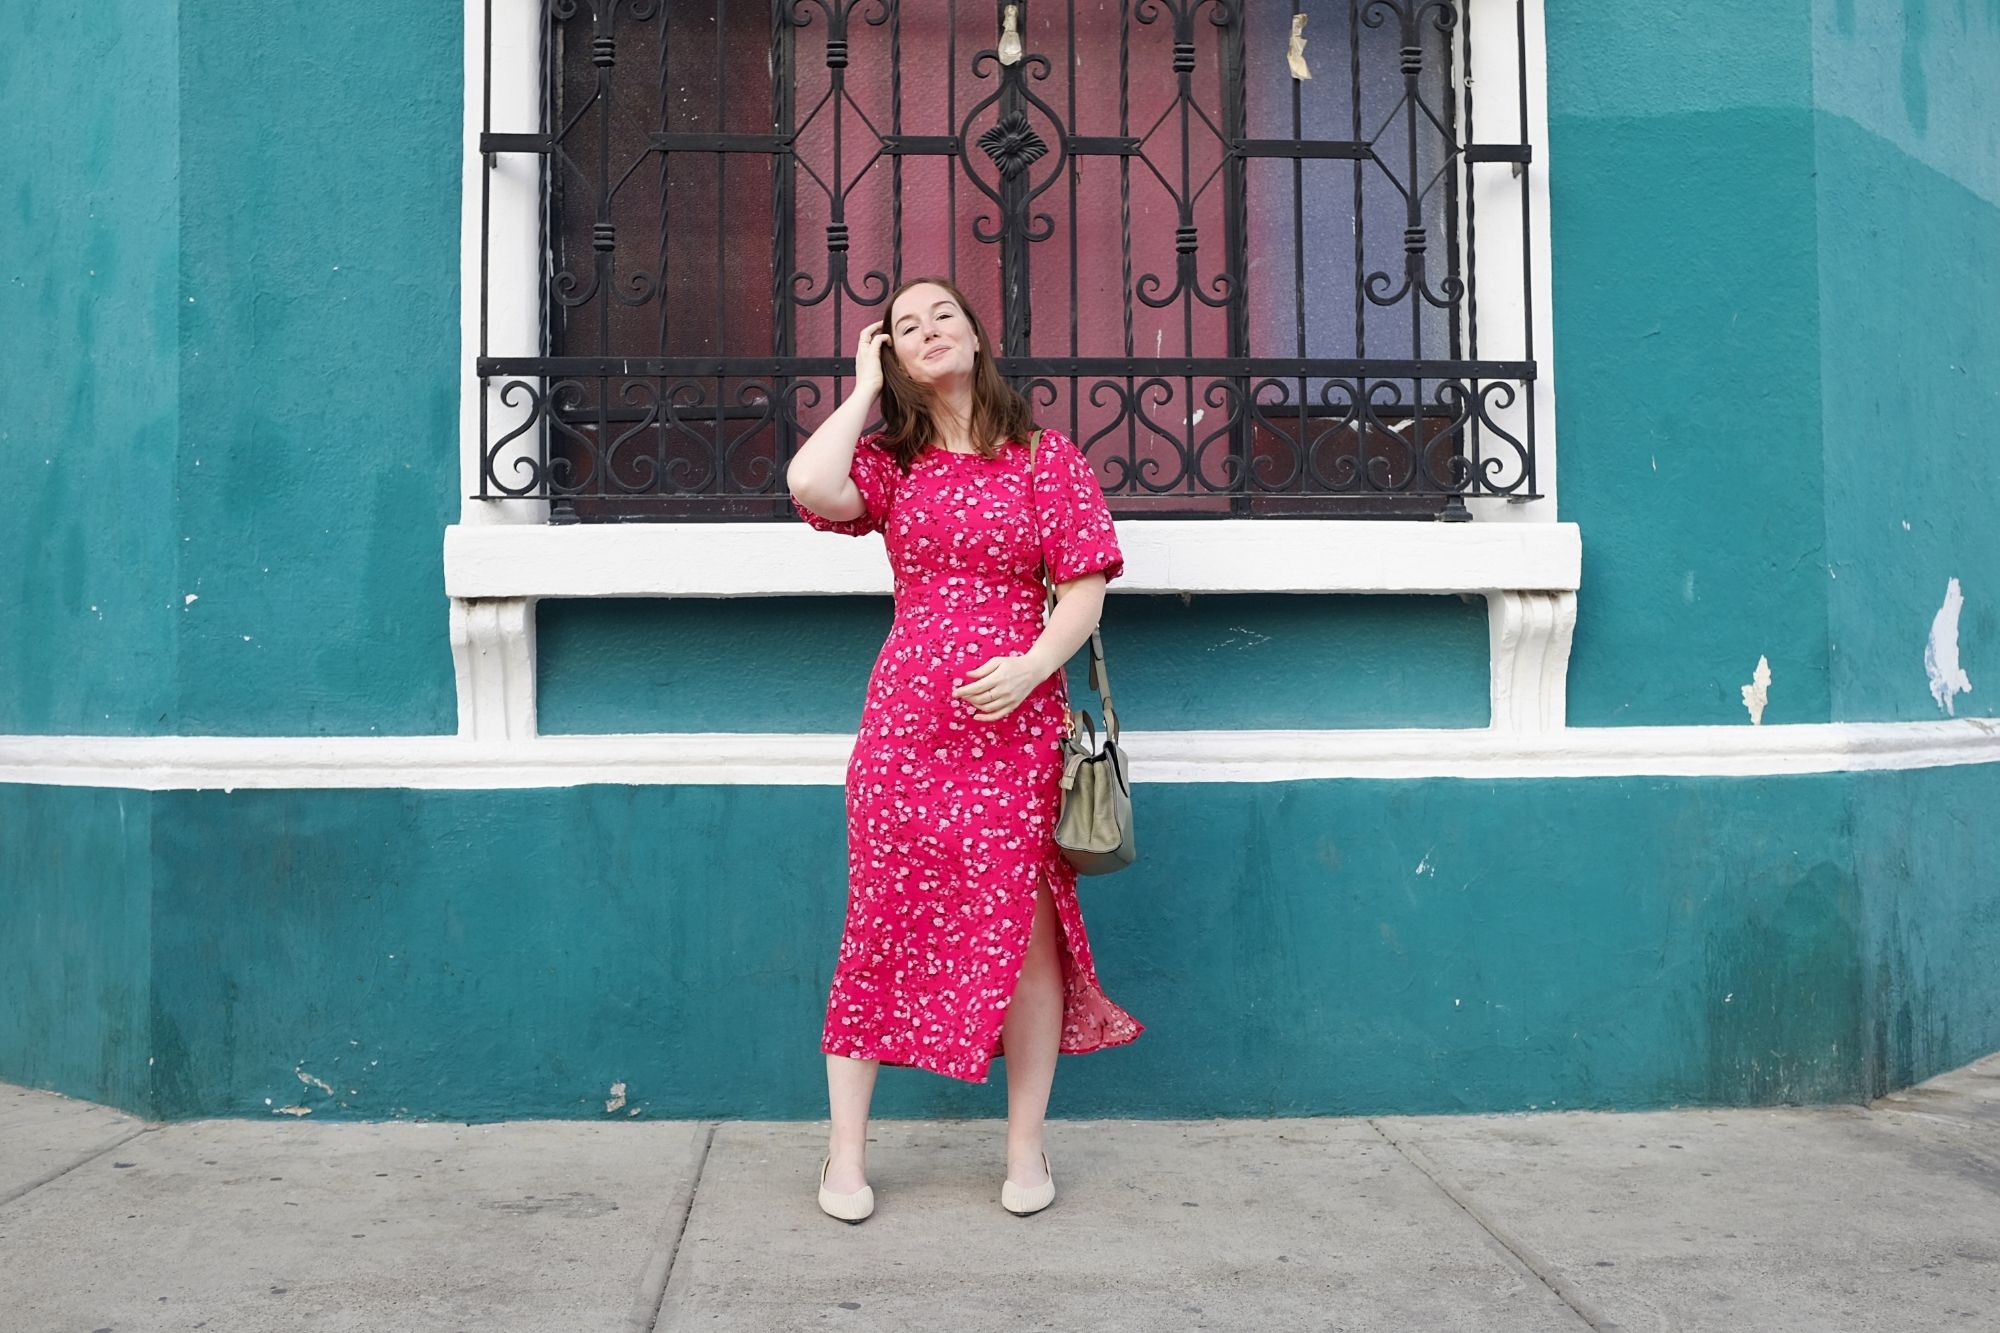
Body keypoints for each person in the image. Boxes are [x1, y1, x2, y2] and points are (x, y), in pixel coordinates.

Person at [786, 276, 1144, 1223]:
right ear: (894, 356)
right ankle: (845, 1155)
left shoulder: (1045, 460)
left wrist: (1030, 669)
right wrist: (863, 386)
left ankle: (1025, 1149)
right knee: (878, 924)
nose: (926, 329)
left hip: (1017, 728)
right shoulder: (894, 467)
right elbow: (808, 485)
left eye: (942, 313)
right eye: (905, 326)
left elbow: (1084, 590)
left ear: (978, 336)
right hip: (905, 727)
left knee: (1026, 935)